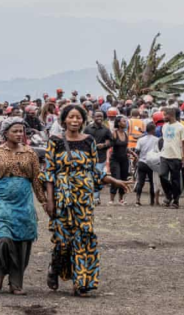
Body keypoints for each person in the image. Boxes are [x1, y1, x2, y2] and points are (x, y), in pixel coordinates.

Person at [42, 104, 131, 297]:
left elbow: (94, 170)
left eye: (78, 117)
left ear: (83, 120)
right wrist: (50, 200)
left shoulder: (89, 141)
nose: (75, 121)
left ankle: (81, 282)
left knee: (84, 237)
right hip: (62, 198)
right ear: (64, 120)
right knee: (63, 241)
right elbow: (49, 172)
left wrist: (114, 180)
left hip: (83, 198)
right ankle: (54, 268)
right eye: (71, 117)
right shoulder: (55, 141)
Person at [0, 117, 46, 295]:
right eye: (15, 131)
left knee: (22, 244)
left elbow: (37, 181)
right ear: (5, 133)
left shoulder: (30, 153)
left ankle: (16, 284)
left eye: (21, 131)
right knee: (5, 238)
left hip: (24, 204)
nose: (19, 134)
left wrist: (44, 202)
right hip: (3, 202)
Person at [159, 107, 184, 209]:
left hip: (176, 156)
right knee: (162, 175)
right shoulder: (164, 126)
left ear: (171, 115)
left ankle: (175, 201)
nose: (163, 117)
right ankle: (169, 194)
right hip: (164, 155)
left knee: (175, 180)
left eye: (165, 115)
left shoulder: (180, 127)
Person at [84, 111, 113, 205]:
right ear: (93, 117)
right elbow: (82, 140)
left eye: (101, 116)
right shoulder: (87, 129)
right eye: (97, 116)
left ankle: (96, 198)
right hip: (88, 157)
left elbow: (111, 142)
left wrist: (104, 145)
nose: (99, 118)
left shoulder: (106, 129)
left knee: (96, 175)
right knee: (89, 176)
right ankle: (91, 196)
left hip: (101, 157)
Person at [134, 122, 158, 206]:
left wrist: (136, 161)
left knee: (140, 181)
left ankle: (137, 199)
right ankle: (152, 201)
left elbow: (136, 151)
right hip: (152, 163)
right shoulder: (156, 140)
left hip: (142, 162)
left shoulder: (141, 139)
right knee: (152, 182)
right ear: (153, 130)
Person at [109, 116, 131, 205]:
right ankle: (111, 199)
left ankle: (121, 199)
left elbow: (125, 147)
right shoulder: (114, 133)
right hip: (115, 159)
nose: (125, 122)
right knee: (116, 178)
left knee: (123, 178)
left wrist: (132, 153)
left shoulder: (126, 134)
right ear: (118, 123)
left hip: (124, 159)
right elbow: (110, 145)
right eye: (123, 121)